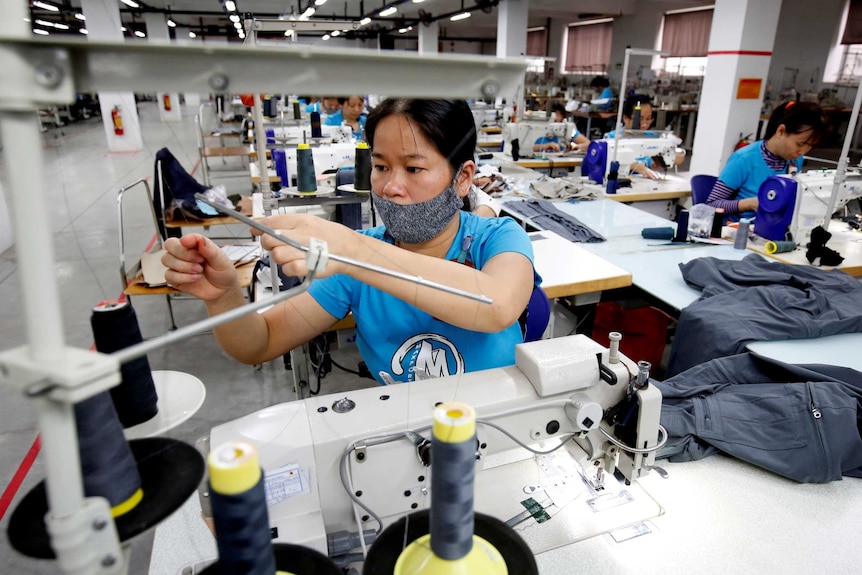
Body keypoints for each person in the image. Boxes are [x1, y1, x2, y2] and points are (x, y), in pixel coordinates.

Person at [162, 98, 539, 385]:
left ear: (462, 178)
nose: (391, 187)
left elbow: (496, 305)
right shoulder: (352, 262)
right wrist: (224, 298)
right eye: (380, 167)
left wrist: (353, 251)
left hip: (496, 422)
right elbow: (260, 342)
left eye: (414, 168)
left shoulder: (497, 238)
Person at [706, 100, 827, 221]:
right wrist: (749, 203)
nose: (803, 152)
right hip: (737, 231)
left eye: (809, 146)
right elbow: (711, 205)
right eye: (800, 144)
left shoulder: (795, 160)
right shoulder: (744, 159)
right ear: (780, 131)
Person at [605, 94, 685, 179]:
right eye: (639, 119)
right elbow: (606, 159)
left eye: (648, 119)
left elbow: (678, 158)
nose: (644, 124)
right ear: (625, 118)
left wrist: (671, 156)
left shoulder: (652, 138)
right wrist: (636, 166)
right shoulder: (612, 138)